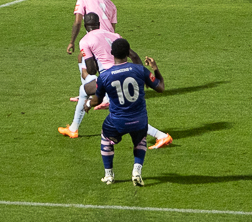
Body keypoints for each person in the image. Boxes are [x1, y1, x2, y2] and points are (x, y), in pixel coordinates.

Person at [59, 13, 173, 150]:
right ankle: (73, 128)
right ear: (99, 24)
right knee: (84, 90)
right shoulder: (114, 35)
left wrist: (93, 60)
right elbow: (135, 56)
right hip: (127, 73)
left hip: (110, 78)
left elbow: (90, 70)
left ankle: (160, 136)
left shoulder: (85, 41)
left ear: (85, 26)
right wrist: (142, 76)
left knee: (123, 116)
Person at [85, 38, 166, 185]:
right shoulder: (140, 70)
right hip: (140, 119)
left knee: (105, 137)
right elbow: (160, 88)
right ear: (128, 53)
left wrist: (88, 104)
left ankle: (109, 175)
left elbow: (97, 99)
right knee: (140, 140)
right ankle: (136, 171)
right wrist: (155, 68)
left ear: (111, 53)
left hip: (117, 121)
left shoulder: (105, 76)